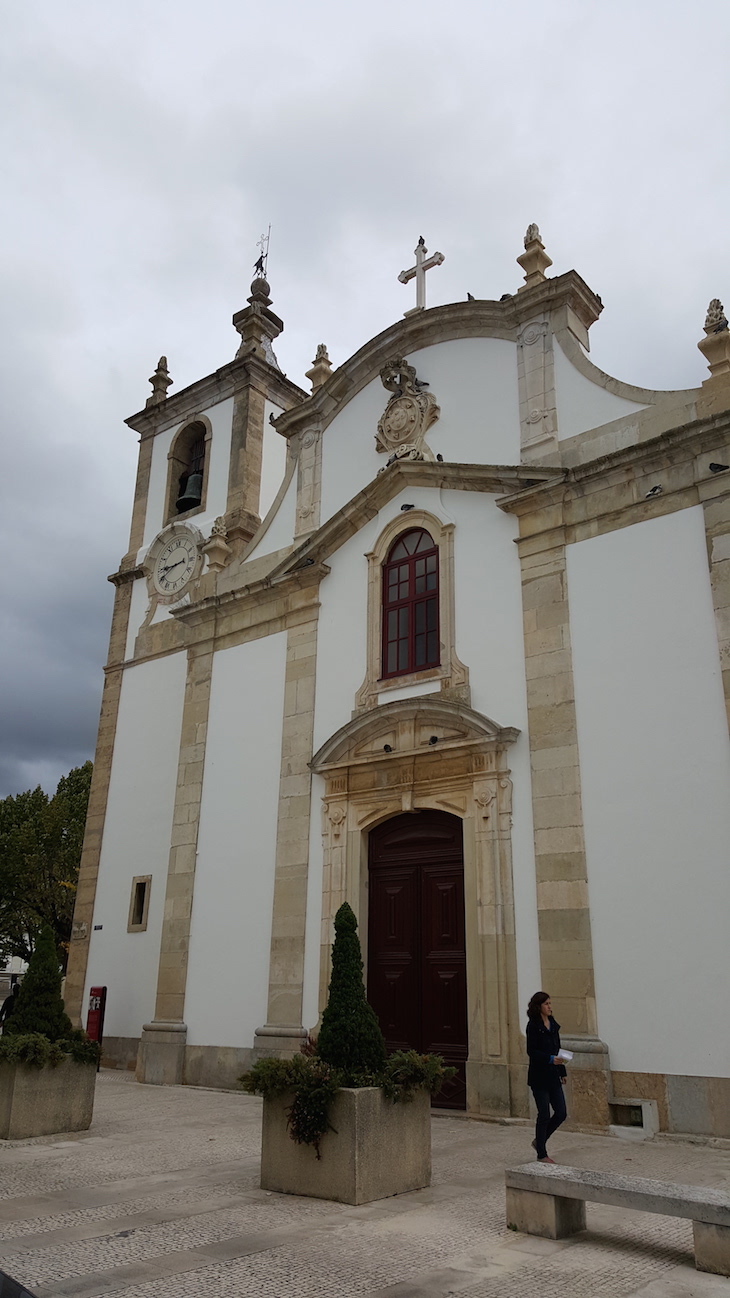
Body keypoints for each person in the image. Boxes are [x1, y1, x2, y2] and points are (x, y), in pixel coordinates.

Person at [526, 991, 567, 1163]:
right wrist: (550, 1059)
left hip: (553, 1076)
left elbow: (558, 1047)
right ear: (539, 1006)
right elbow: (532, 1051)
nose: (550, 1007)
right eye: (546, 1004)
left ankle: (539, 1141)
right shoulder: (533, 1026)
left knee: (561, 1113)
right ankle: (541, 1154)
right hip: (539, 1077)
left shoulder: (553, 1024)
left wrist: (562, 1071)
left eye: (550, 1003)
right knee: (543, 1114)